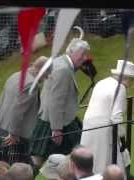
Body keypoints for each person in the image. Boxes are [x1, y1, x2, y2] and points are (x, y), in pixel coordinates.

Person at [30, 38, 91, 175]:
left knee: (40, 159)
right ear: (71, 52)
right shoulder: (63, 69)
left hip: (57, 119)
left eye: (85, 54)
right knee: (78, 155)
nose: (85, 58)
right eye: (82, 54)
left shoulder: (60, 62)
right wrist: (56, 129)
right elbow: (56, 101)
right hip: (57, 122)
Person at [80, 59, 134, 176]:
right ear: (126, 78)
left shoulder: (101, 82)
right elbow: (116, 117)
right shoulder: (120, 88)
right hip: (104, 129)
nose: (130, 83)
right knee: (107, 161)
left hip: (88, 126)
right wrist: (123, 138)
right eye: (131, 80)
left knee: (93, 162)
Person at [0, 56, 51, 165]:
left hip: (3, 128)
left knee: (2, 169)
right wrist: (13, 133)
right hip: (15, 135)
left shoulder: (15, 75)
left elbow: (2, 99)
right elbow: (18, 110)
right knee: (16, 172)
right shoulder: (31, 84)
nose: (47, 77)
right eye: (47, 73)